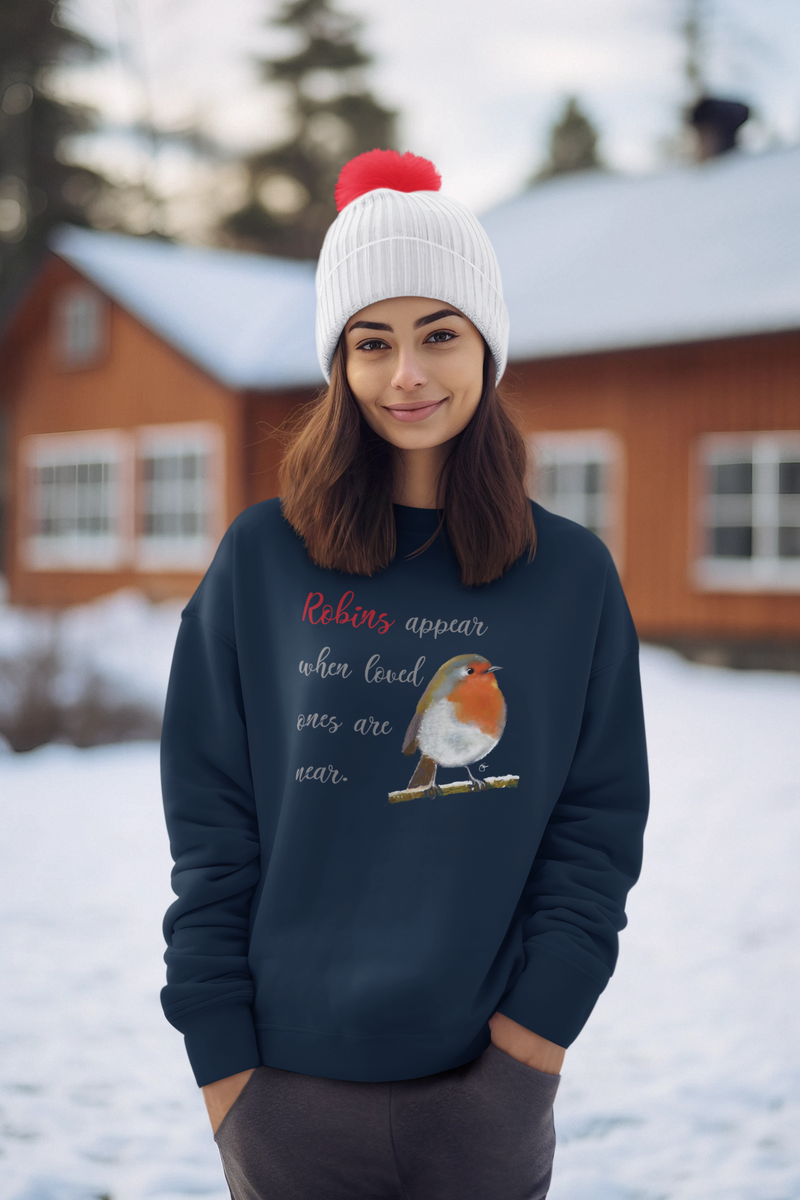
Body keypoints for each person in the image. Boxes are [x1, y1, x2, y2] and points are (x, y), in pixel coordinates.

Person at [159, 149, 649, 1200]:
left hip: (483, 1098)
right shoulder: (262, 559)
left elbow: (595, 828)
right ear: (338, 362)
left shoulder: (566, 576)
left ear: (486, 347)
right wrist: (225, 1069)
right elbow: (210, 821)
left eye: (439, 335)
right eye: (371, 342)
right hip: (281, 1096)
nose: (406, 374)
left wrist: (528, 1052)